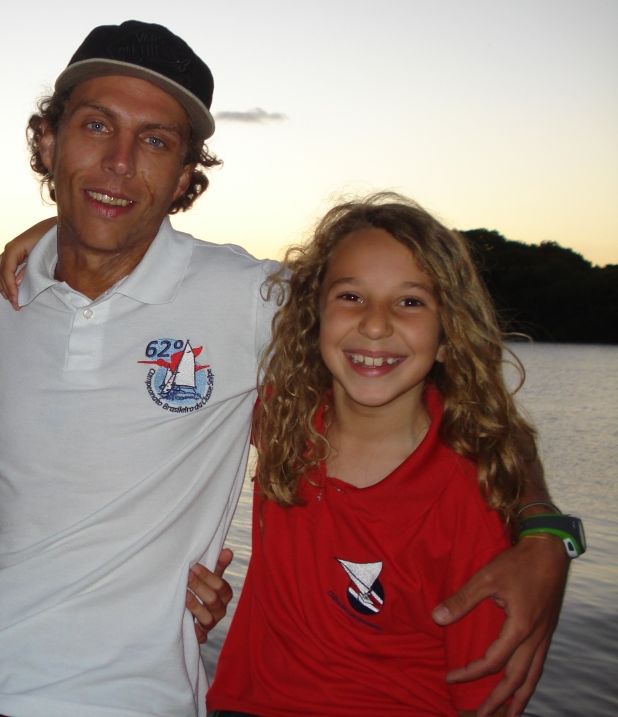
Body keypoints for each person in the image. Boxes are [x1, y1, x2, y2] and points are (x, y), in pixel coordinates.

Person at [0, 22, 568, 717]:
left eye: (154, 141)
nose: (120, 162)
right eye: (96, 127)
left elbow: (449, 395)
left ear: (186, 174)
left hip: (129, 695)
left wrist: (543, 533)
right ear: (47, 141)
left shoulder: (250, 298)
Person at [206, 193, 582, 717]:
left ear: (449, 336)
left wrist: (548, 531)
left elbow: (487, 696)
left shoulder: (469, 494)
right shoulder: (285, 420)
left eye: (410, 302)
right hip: (245, 704)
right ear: (313, 320)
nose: (376, 324)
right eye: (351, 296)